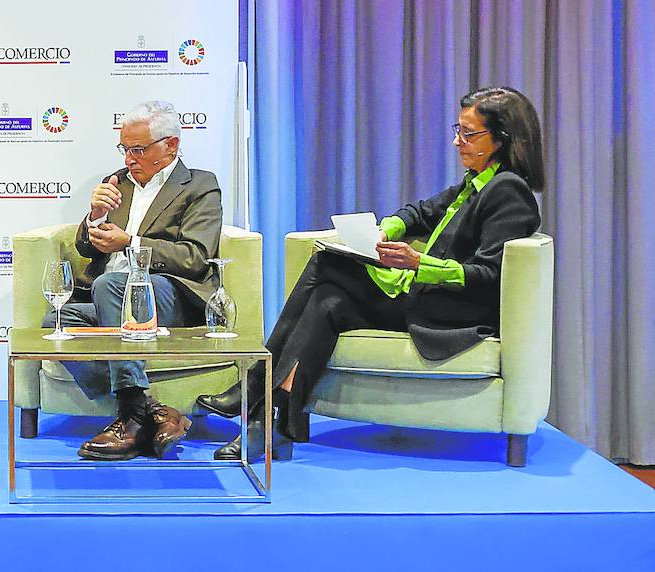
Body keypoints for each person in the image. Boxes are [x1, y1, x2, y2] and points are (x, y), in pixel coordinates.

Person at [195, 86, 545, 460]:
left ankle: (252, 387)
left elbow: (488, 275)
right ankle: (276, 422)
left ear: (502, 139)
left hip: (454, 313)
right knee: (328, 302)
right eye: (456, 130)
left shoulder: (508, 191)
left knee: (327, 263)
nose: (457, 142)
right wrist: (387, 229)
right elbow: (421, 211)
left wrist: (417, 263)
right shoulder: (474, 182)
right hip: (427, 298)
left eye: (468, 134)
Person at [43, 100, 223, 461]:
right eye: (125, 148)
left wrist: (131, 244)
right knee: (58, 321)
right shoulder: (117, 183)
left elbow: (195, 257)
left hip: (168, 295)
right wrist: (94, 218)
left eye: (138, 150)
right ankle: (150, 412)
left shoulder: (200, 185)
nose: (129, 158)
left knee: (111, 285)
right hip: (109, 297)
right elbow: (86, 248)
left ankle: (127, 418)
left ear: (170, 145)